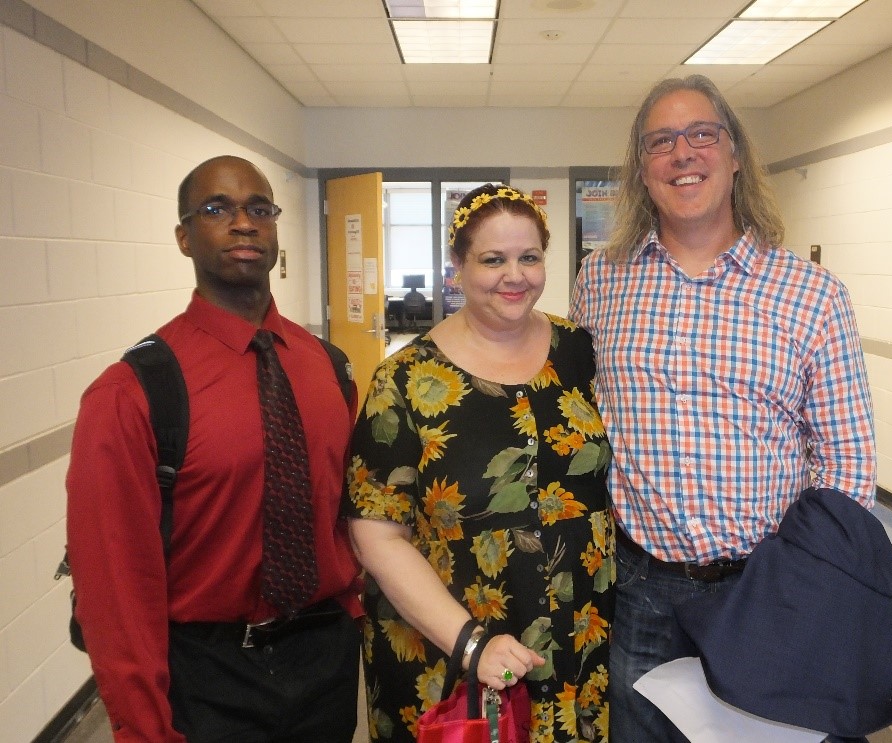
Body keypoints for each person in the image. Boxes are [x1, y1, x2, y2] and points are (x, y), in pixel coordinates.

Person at [569, 75, 877, 742]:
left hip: (765, 587)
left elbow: (847, 460)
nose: (683, 153)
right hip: (640, 590)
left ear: (735, 155)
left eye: (702, 134)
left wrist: (809, 582)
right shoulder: (601, 281)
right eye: (661, 141)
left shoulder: (811, 294)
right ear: (640, 169)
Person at [66, 155, 363, 742]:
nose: (243, 223)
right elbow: (115, 587)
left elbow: (344, 517)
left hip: (325, 662)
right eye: (217, 209)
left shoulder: (328, 369)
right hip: (205, 677)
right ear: (184, 237)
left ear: (276, 230)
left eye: (259, 209)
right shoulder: (133, 391)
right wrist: (143, 729)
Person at [345, 184, 614, 742]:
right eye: (493, 259)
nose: (514, 276)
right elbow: (376, 534)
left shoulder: (579, 352)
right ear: (458, 266)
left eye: (529, 257)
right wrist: (470, 642)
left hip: (574, 640)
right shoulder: (404, 383)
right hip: (451, 649)